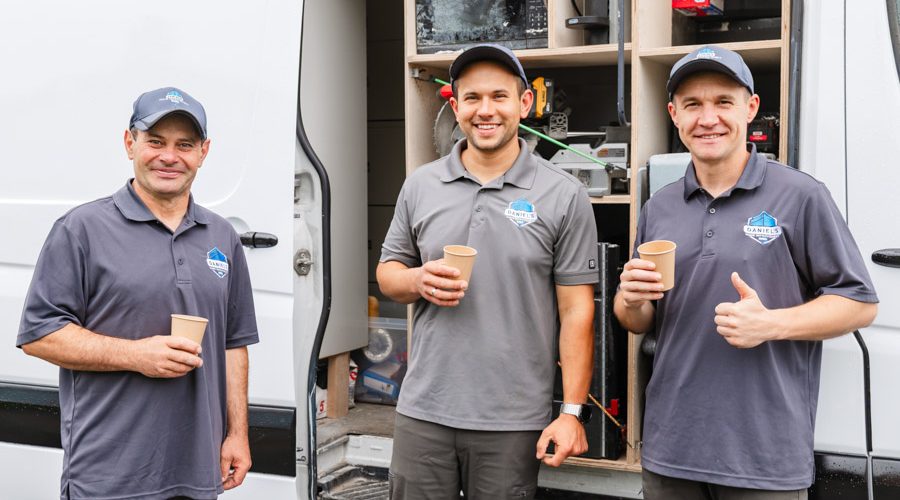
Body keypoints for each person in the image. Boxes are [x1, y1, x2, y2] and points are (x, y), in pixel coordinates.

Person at [614, 46, 879, 499]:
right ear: (674, 114)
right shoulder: (659, 208)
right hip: (671, 449)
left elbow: (858, 303)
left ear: (751, 108)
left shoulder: (800, 196)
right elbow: (641, 322)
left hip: (764, 457)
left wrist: (772, 323)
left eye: (723, 102)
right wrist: (629, 298)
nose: (708, 118)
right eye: (693, 105)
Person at [377, 43, 598, 499]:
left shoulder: (563, 194)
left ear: (525, 103)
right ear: (455, 107)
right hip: (424, 412)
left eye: (499, 96)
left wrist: (571, 411)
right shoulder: (421, 184)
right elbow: (388, 273)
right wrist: (418, 280)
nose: (486, 110)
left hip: (513, 420)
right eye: (472, 98)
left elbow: (577, 311)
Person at [17, 87, 259, 500]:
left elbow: (233, 343)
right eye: (155, 142)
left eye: (184, 145)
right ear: (130, 143)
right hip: (109, 474)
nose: (169, 156)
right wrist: (135, 354)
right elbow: (40, 335)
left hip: (198, 472)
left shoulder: (221, 236)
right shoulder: (81, 230)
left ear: (204, 151)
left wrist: (237, 433)